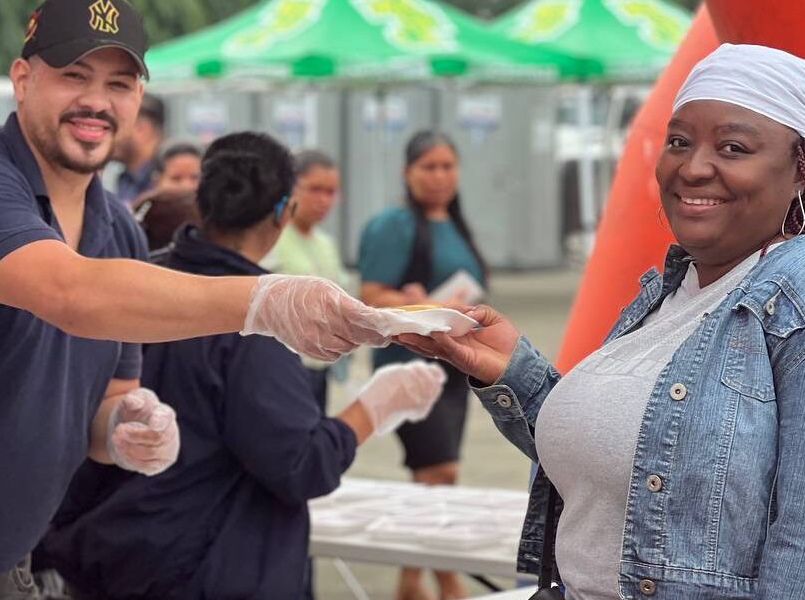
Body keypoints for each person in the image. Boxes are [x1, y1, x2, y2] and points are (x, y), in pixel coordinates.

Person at [0, 0, 393, 600]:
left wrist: (126, 426)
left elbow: (108, 396)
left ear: (138, 99)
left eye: (119, 84)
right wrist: (260, 302)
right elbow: (68, 291)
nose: (95, 101)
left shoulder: (117, 229)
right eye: (73, 76)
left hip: (4, 566)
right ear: (21, 79)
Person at [397, 44, 805, 599]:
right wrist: (511, 372)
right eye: (679, 141)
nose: (693, 167)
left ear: (802, 170)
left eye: (733, 147)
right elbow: (645, 468)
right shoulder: (671, 293)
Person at [36, 131, 446, 600]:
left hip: (105, 555)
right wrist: (375, 406)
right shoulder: (256, 320)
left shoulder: (139, 284)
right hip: (201, 567)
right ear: (283, 213)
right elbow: (299, 462)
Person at [358, 131, 487, 600]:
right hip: (409, 367)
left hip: (452, 371)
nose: (439, 176)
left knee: (434, 477)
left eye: (447, 166)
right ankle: (447, 582)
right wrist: (426, 304)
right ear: (407, 173)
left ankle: (411, 584)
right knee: (438, 474)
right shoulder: (393, 225)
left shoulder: (454, 224)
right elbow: (371, 295)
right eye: (428, 167)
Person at [263, 149, 348, 410]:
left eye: (331, 192)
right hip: (281, 366)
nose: (323, 200)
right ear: (291, 187)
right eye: (315, 189)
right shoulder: (270, 239)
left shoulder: (326, 244)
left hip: (320, 365)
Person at [111, 91, 165, 204]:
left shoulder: (169, 180)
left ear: (142, 130)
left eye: (113, 126)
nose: (105, 135)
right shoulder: (124, 178)